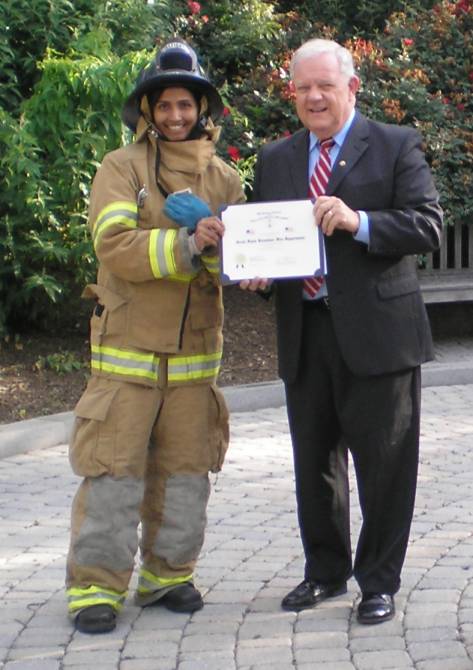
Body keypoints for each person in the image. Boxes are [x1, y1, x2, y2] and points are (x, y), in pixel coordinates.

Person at [242, 38, 442, 624]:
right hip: (305, 331)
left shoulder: (394, 144)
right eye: (302, 88)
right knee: (315, 464)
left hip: (380, 335)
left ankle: (378, 581)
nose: (313, 97)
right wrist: (256, 273)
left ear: (352, 87)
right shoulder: (275, 158)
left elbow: (427, 224)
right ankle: (325, 573)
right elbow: (268, 238)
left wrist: (359, 223)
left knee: (385, 465)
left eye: (324, 85)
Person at [66, 38, 245, 634]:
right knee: (115, 470)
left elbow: (231, 266)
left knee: (188, 469)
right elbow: (114, 247)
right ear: (147, 111)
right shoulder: (120, 170)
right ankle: (95, 586)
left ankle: (169, 576)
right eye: (164, 105)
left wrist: (241, 261)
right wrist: (189, 244)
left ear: (202, 109)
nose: (175, 116)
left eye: (185, 105)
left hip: (196, 355)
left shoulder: (224, 179)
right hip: (127, 354)